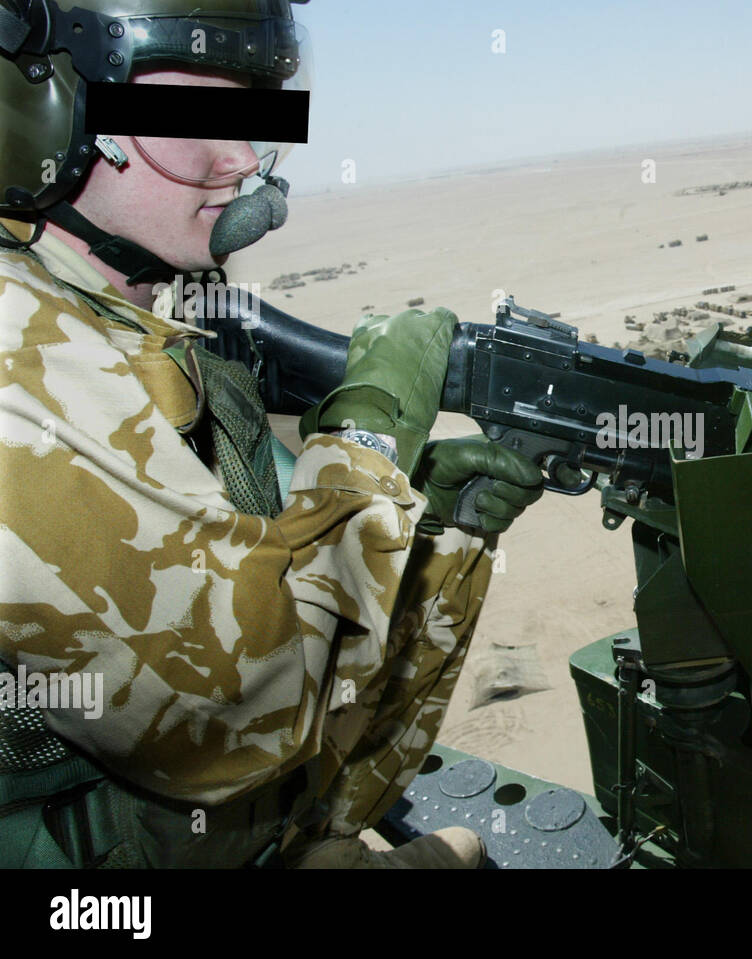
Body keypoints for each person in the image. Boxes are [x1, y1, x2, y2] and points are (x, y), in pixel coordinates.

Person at [0, 0, 543, 868]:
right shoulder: (17, 355)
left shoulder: (156, 342)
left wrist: (432, 530)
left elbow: (298, 665)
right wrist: (366, 437)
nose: (245, 159)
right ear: (55, 107)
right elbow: (233, 709)